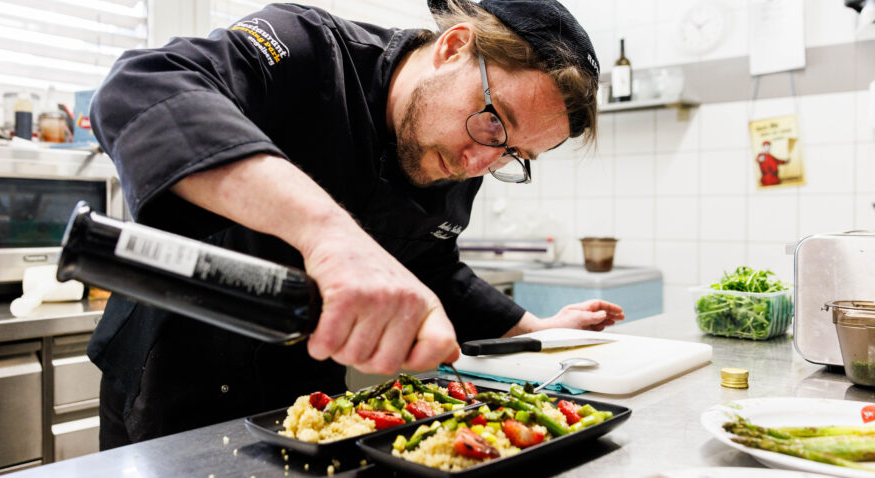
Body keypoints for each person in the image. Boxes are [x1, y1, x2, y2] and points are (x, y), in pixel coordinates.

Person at [88, 0, 625, 449]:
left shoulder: (465, 150)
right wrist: (331, 237)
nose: (479, 163)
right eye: (495, 120)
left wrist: (532, 328)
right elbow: (142, 86)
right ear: (454, 46)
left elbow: (430, 264)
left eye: (513, 153)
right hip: (170, 373)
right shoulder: (306, 47)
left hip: (304, 389)